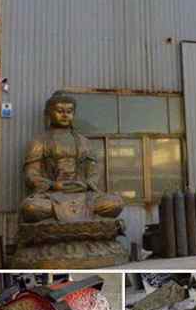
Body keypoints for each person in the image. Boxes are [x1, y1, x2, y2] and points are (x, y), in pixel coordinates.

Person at [20, 92, 124, 223]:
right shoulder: (39, 142)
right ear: (49, 113)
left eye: (69, 111)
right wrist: (53, 185)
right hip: (51, 195)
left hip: (83, 195)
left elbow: (94, 172)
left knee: (115, 203)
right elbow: (31, 175)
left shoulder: (84, 141)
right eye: (60, 111)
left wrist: (86, 184)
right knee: (31, 207)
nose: (65, 115)